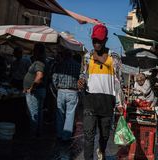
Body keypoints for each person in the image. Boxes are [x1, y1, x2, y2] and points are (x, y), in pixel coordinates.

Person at [78, 24, 123, 160]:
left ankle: (101, 150)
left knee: (104, 135)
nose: (96, 44)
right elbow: (83, 75)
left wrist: (121, 103)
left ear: (106, 40)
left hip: (107, 102)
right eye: (94, 40)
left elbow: (119, 81)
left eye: (99, 41)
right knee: (88, 134)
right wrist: (81, 81)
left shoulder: (114, 58)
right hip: (90, 100)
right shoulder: (87, 57)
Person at [52, 49, 80, 141]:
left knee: (60, 114)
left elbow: (54, 78)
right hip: (73, 92)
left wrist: (57, 88)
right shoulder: (77, 65)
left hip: (61, 91)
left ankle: (59, 134)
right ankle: (66, 137)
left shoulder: (60, 64)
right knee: (70, 115)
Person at [23, 43, 47, 137]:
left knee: (33, 113)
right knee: (38, 113)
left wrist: (31, 88)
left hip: (36, 91)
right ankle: (38, 133)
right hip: (40, 90)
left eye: (34, 50)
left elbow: (39, 76)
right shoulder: (41, 61)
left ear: (37, 51)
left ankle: (33, 134)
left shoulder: (39, 62)